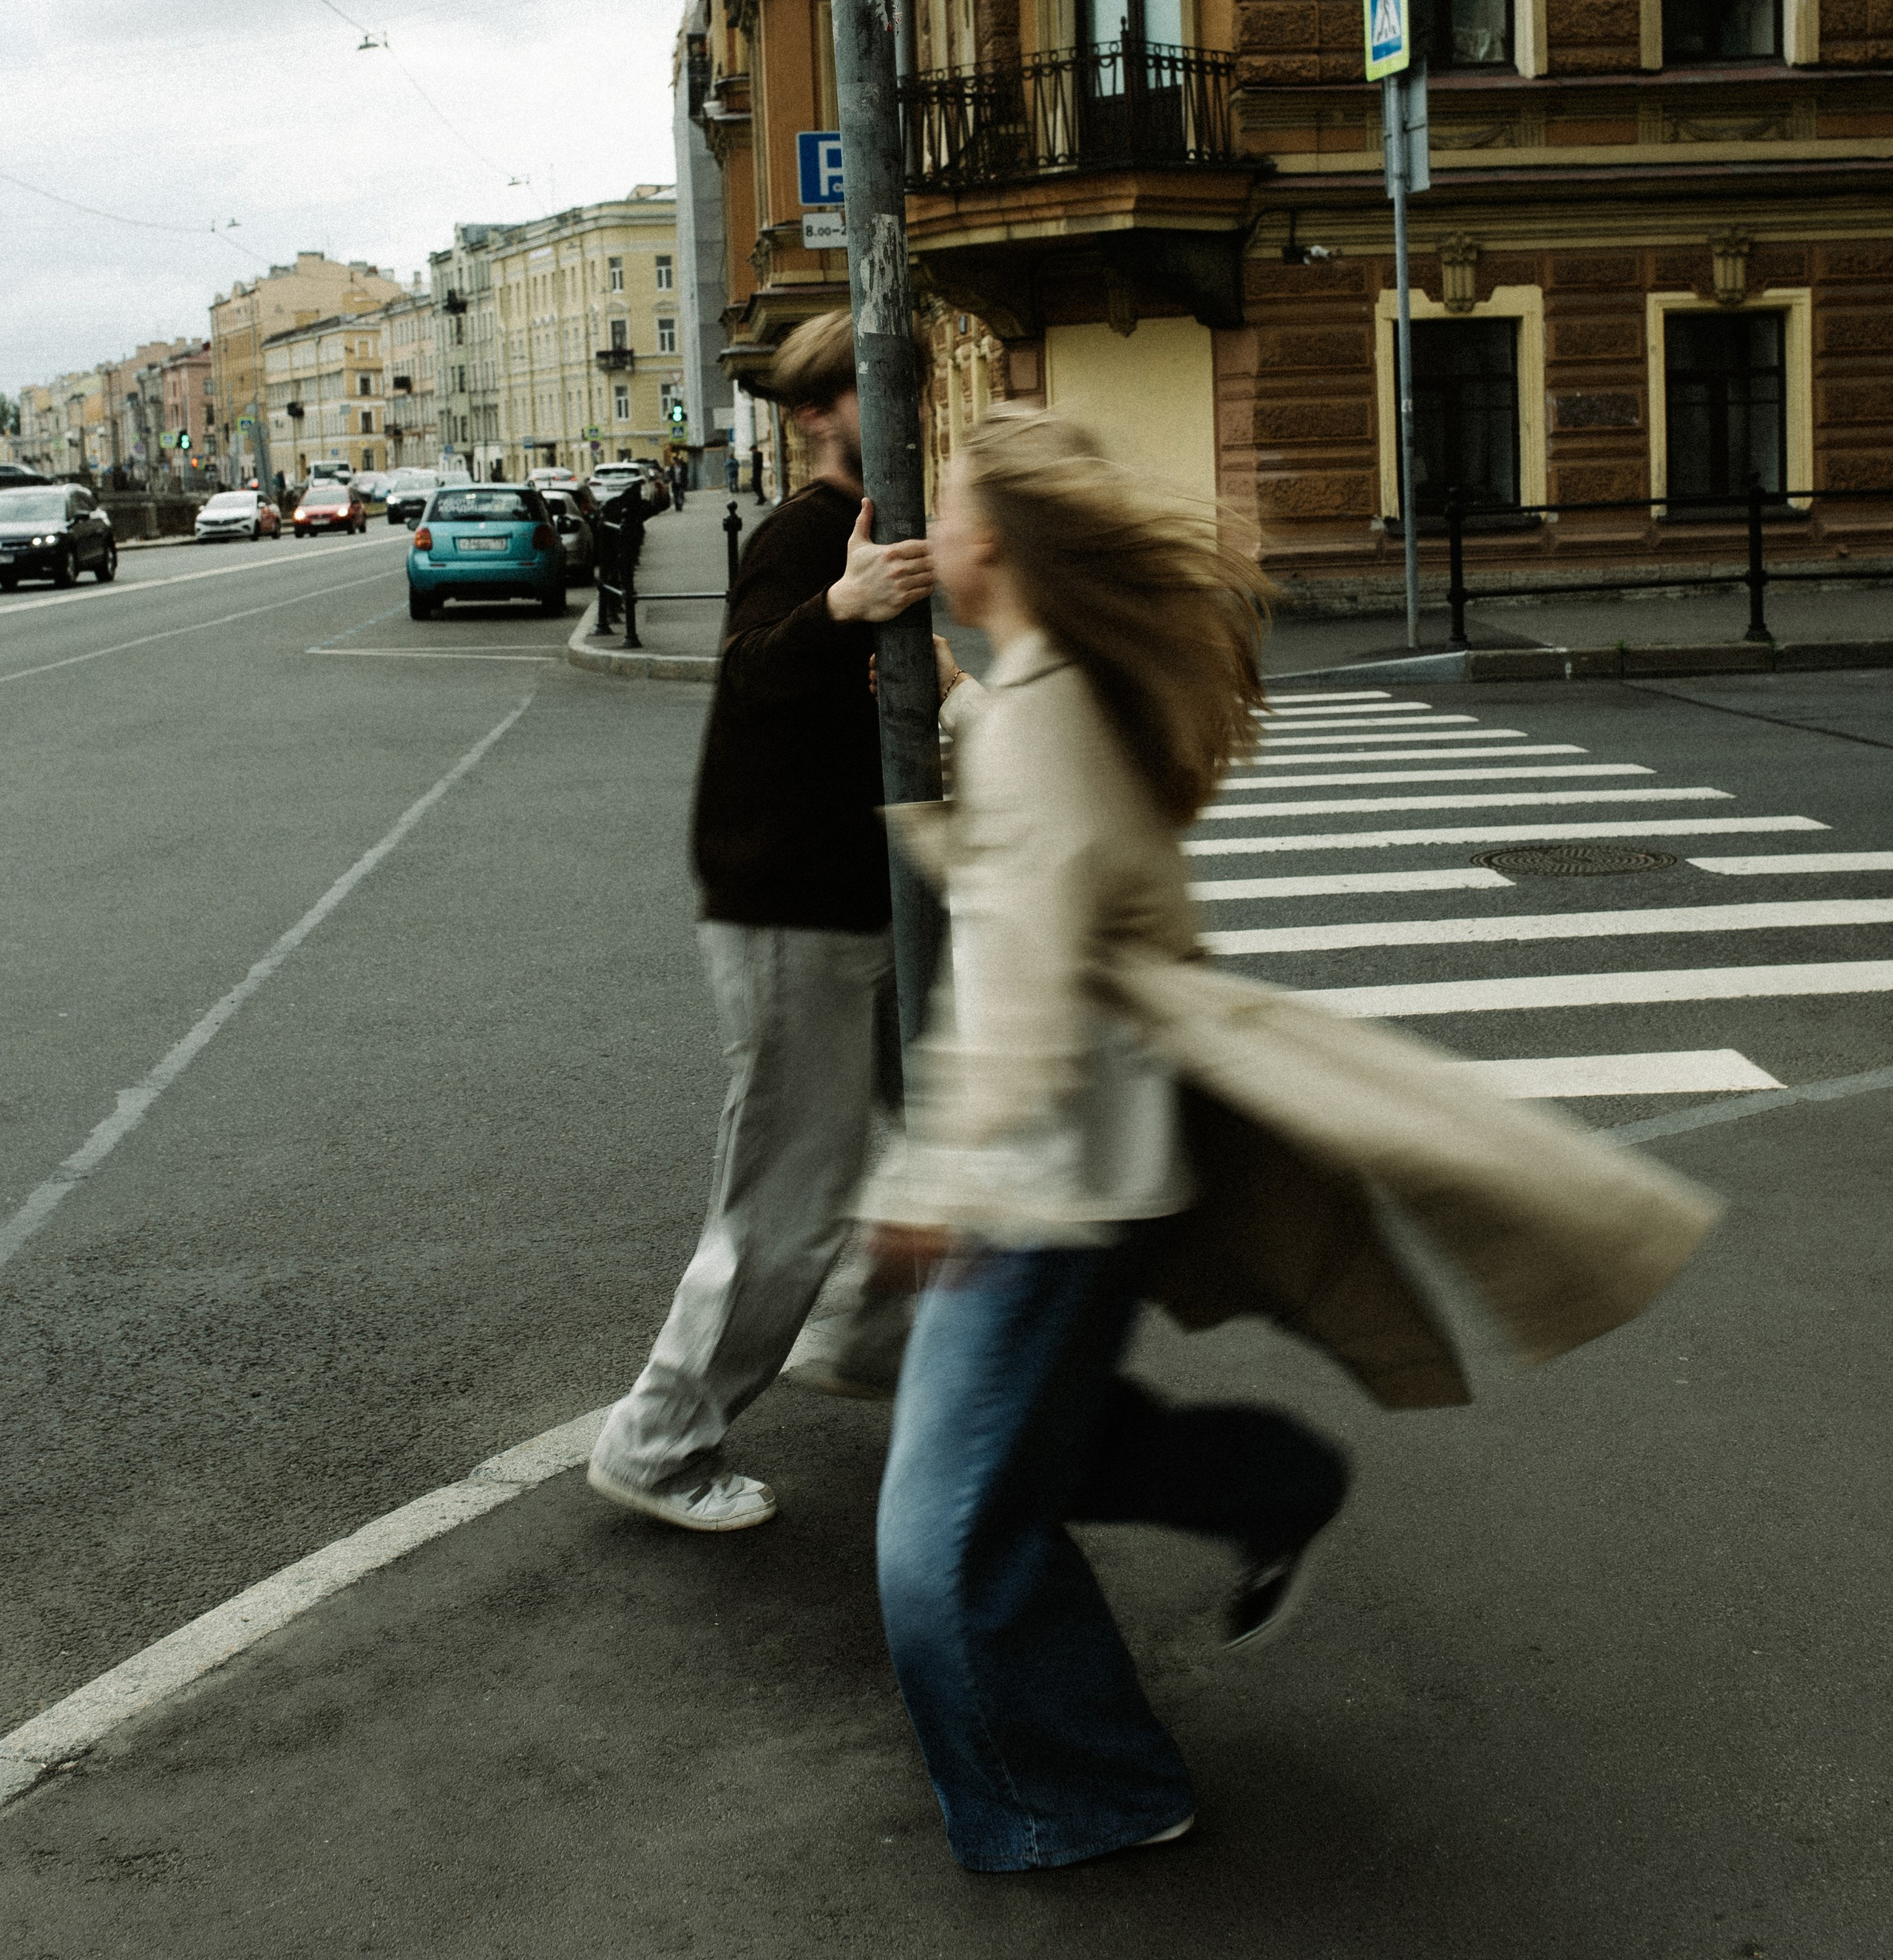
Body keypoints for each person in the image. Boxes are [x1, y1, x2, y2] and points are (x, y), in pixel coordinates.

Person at [862, 408, 1718, 1874]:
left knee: (932, 1549)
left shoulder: (1051, 713)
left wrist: (932, 1178)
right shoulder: (1043, 695)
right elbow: (1033, 853)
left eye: (941, 508)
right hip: (1087, 1159)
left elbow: (1018, 970)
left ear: (991, 545)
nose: (923, 530)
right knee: (1034, 1464)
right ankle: (1266, 1488)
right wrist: (945, 724)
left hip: (1046, 1182)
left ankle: (1085, 1793)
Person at [586, 311, 936, 1532]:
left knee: (929, 1136)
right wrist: (842, 610)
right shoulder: (802, 532)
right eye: (886, 392)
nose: (911, 413)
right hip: (794, 908)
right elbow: (746, 676)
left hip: (859, 898)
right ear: (818, 415)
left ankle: (868, 1336)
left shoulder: (879, 529)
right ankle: (658, 1439)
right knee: (785, 1200)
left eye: (913, 389)